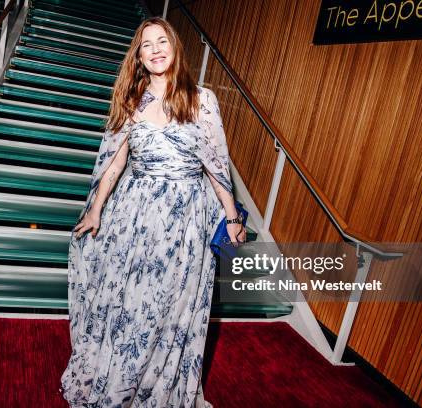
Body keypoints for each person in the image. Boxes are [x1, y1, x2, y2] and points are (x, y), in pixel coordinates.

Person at [60, 16, 246, 408]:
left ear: (175, 48)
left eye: (163, 41)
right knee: (134, 305)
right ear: (139, 56)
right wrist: (95, 211)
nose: (156, 49)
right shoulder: (131, 101)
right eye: (148, 44)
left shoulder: (202, 98)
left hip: (184, 223)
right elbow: (113, 164)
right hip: (137, 220)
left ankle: (159, 389)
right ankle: (121, 381)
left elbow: (216, 165)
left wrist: (232, 218)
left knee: (170, 308)